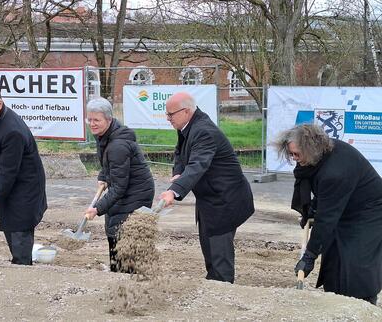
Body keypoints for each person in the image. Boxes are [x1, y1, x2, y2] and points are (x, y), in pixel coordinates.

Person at [274, 124, 382, 305]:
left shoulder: (336, 171)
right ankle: (335, 297)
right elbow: (324, 195)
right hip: (345, 202)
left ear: (310, 149)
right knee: (333, 253)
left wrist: (309, 257)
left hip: (369, 211)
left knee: (356, 258)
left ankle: (364, 303)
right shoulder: (320, 155)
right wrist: (312, 209)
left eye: (297, 154)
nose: (294, 159)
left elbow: (326, 220)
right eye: (291, 154)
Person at [158, 92, 254, 283]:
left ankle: (223, 289)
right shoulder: (186, 126)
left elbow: (198, 165)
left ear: (186, 111)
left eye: (171, 114)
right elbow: (180, 153)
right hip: (209, 199)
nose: (168, 119)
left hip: (225, 201)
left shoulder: (203, 131)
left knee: (219, 253)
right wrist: (178, 173)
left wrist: (174, 190)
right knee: (208, 248)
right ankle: (213, 282)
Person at [0, 85, 47, 265]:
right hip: (12, 187)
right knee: (11, 228)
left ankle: (22, 269)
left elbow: (9, 171)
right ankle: (19, 262)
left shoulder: (11, 131)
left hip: (25, 190)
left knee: (19, 231)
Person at [84, 98, 155, 272]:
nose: (92, 124)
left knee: (123, 234)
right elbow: (108, 164)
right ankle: (119, 272)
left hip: (136, 194)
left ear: (108, 120)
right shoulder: (104, 135)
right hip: (126, 189)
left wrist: (97, 208)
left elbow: (119, 187)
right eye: (89, 119)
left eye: (97, 120)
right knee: (114, 229)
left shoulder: (118, 145)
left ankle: (128, 276)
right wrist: (103, 176)